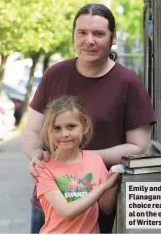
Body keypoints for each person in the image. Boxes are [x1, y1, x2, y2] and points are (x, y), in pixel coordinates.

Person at [22, 3, 156, 234]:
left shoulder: (128, 83)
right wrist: (37, 155)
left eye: (98, 33)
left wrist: (81, 158)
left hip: (95, 205)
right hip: (49, 204)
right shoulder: (54, 74)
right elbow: (32, 131)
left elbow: (139, 146)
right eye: (82, 32)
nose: (89, 40)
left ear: (113, 37)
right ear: (73, 35)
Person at [34, 96, 120, 233]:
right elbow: (67, 212)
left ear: (85, 127)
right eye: (57, 128)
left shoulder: (95, 160)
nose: (64, 134)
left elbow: (106, 208)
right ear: (49, 131)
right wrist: (104, 186)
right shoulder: (43, 167)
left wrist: (113, 184)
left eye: (71, 126)